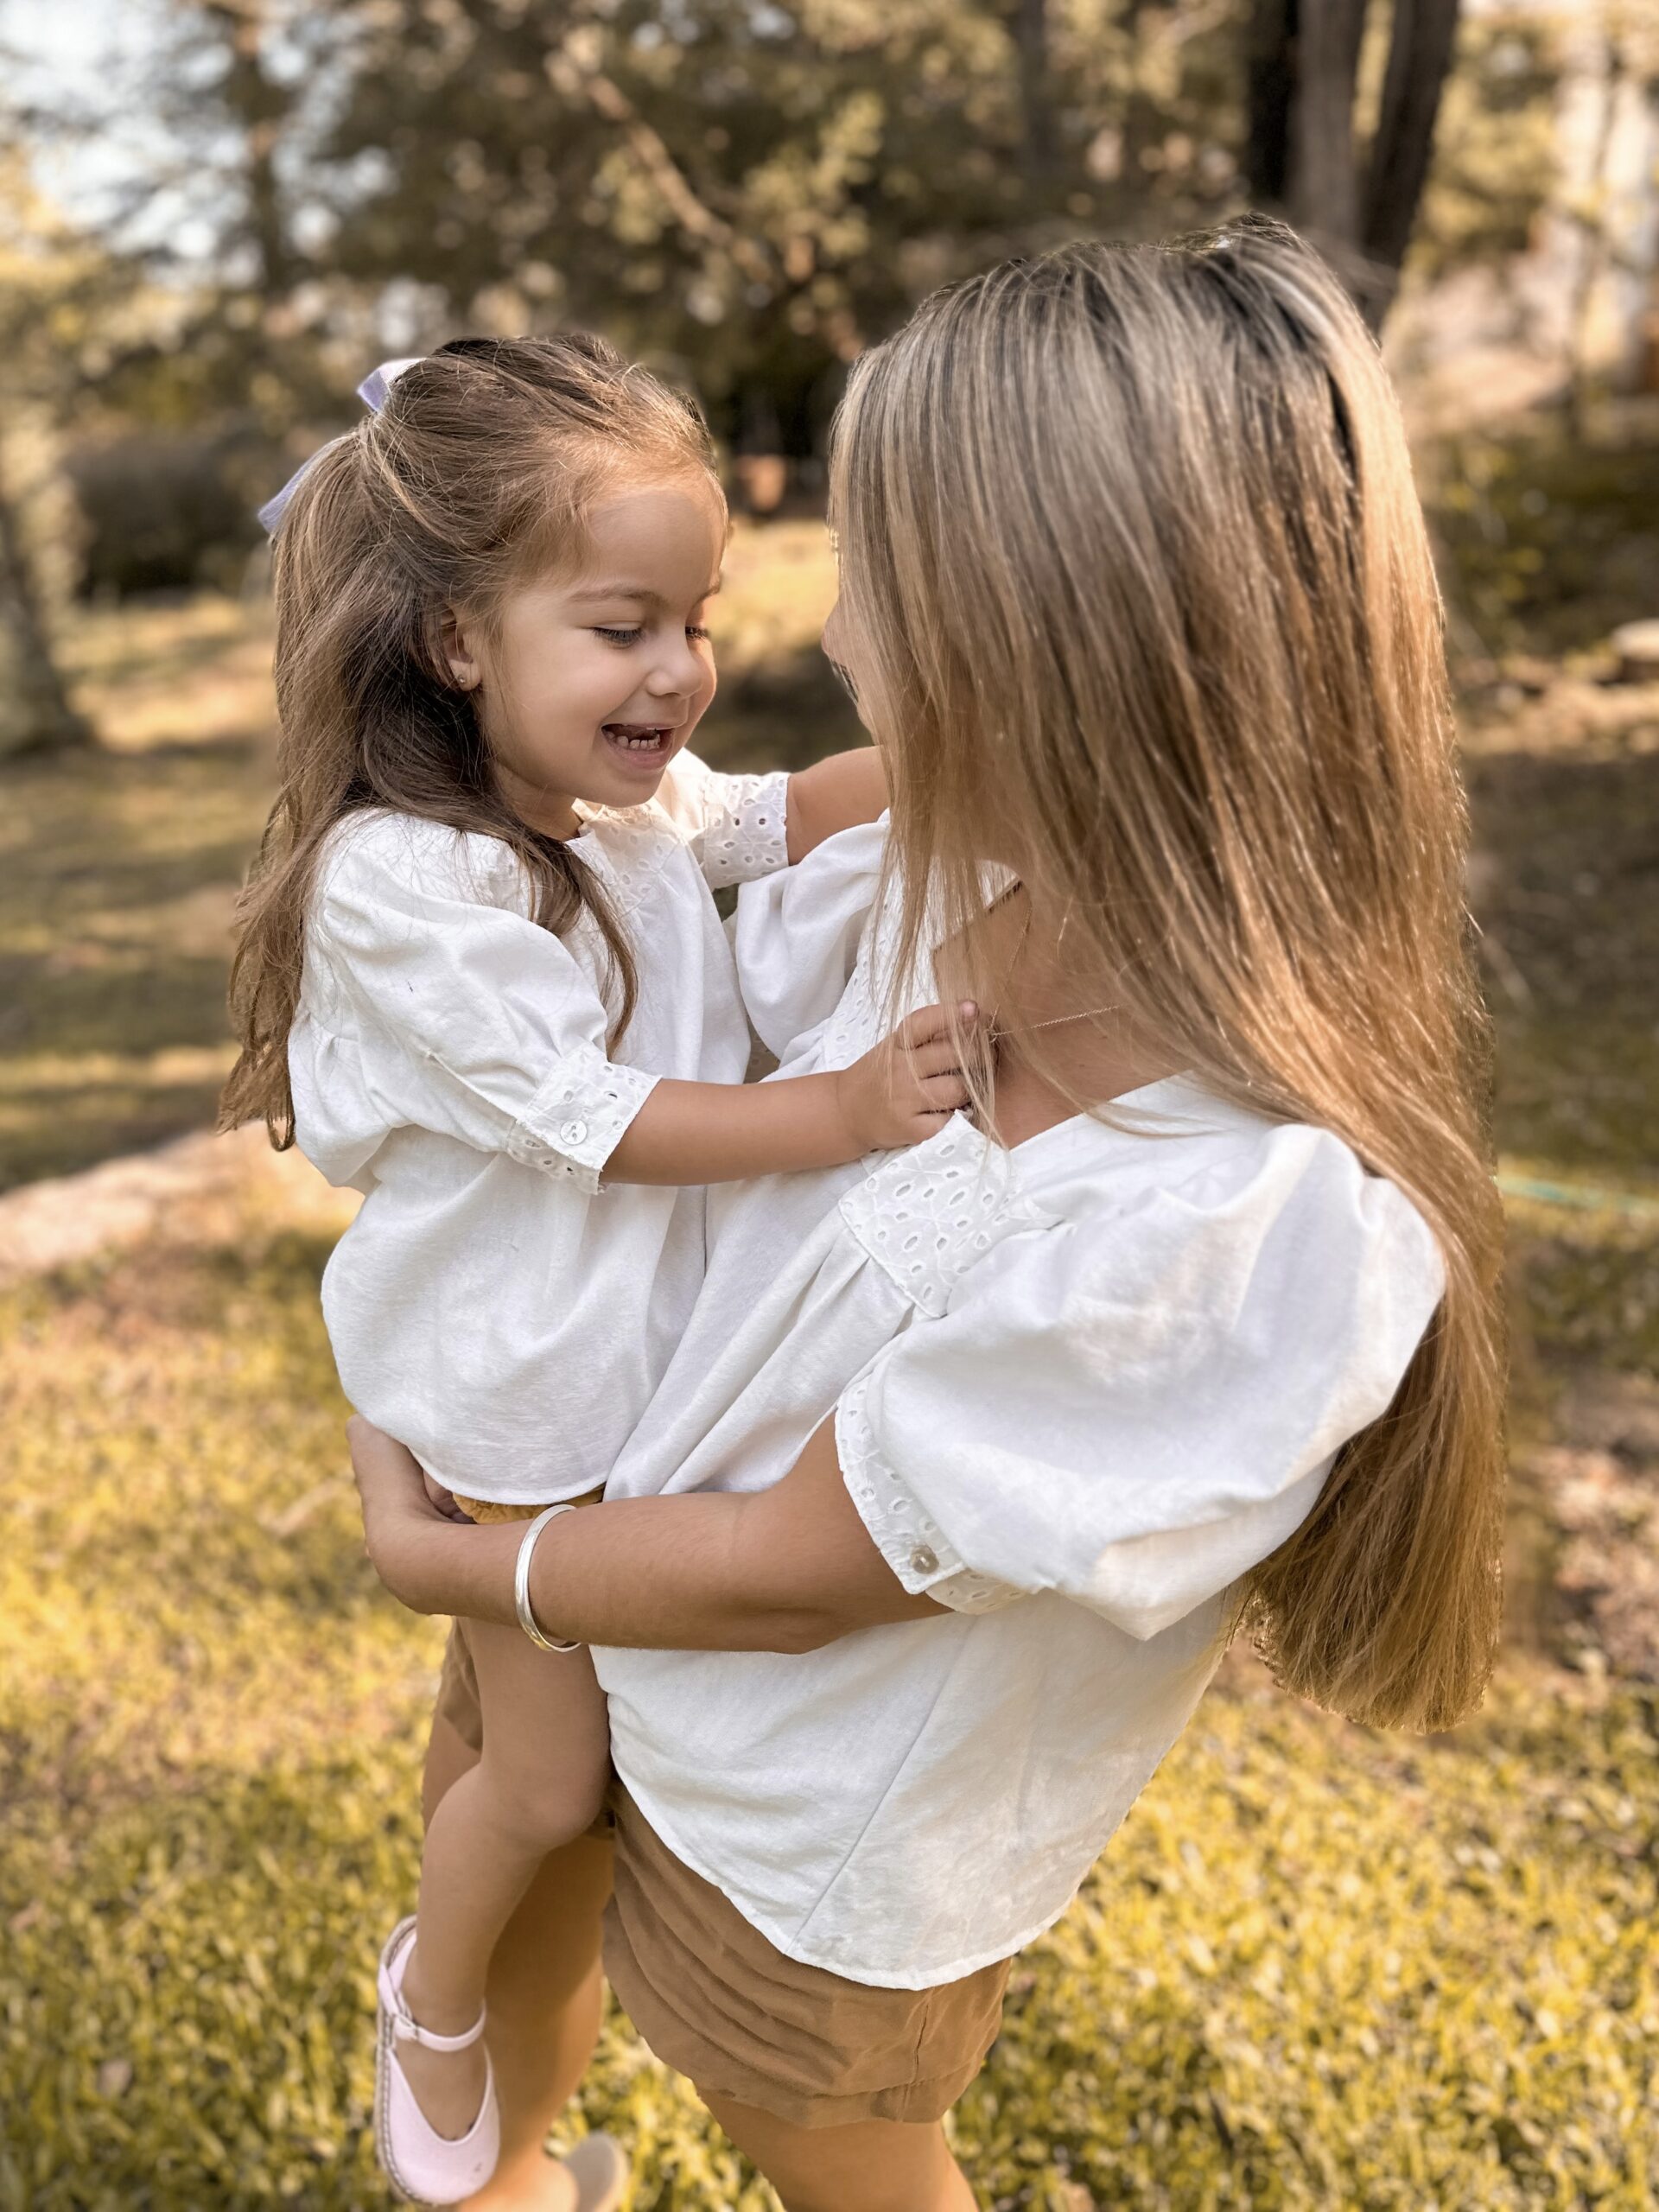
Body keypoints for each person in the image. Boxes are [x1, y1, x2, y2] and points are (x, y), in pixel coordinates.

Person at [349, 218, 1506, 2212]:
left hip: (805, 1821)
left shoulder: (1243, 1221)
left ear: (1032, 646)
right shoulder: (929, 881)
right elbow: (644, 995)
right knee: (521, 1884)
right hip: (581, 1581)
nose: (831, 641)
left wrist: (456, 1557)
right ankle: (513, 2169)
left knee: (834, 2143)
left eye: (874, 579)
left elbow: (791, 1572)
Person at [222, 336, 971, 2206]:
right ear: (457, 639)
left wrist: (982, 761)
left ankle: (509, 2086)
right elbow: (594, 1116)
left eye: (694, 622)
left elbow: (772, 812)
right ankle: (434, 1996)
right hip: (519, 1392)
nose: (677, 671)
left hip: (624, 1374)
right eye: (623, 625)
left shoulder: (617, 805)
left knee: (553, 1750)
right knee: (551, 1781)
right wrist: (840, 1112)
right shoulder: (406, 881)